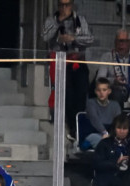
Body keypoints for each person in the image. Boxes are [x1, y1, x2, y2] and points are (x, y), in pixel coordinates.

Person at [42, 0, 93, 138]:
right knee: (67, 96)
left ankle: (79, 127)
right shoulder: (51, 20)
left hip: (78, 62)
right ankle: (70, 127)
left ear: (72, 5)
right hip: (61, 63)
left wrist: (73, 38)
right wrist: (59, 23)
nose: (64, 8)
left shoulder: (80, 20)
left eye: (67, 5)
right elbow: (45, 37)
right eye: (61, 5)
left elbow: (89, 39)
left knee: (81, 95)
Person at [83, 78, 121, 150]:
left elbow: (118, 122)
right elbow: (95, 119)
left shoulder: (115, 105)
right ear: (95, 91)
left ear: (109, 91)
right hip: (93, 133)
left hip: (111, 135)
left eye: (104, 90)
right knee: (99, 140)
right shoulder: (91, 103)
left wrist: (110, 135)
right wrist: (105, 133)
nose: (101, 93)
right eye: (99, 90)